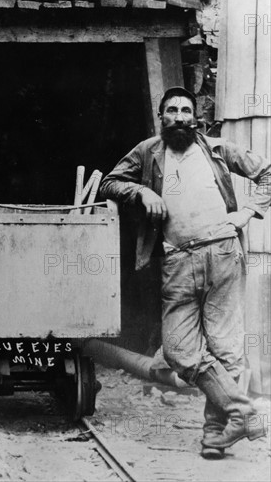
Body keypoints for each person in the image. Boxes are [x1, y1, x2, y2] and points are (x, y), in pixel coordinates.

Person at [100, 87, 270, 459]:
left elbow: (268, 173)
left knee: (225, 350)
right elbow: (108, 182)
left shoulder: (218, 150)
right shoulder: (148, 151)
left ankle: (214, 434)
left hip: (223, 254)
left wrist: (248, 213)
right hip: (176, 261)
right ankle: (242, 411)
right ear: (161, 118)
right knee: (178, 350)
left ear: (196, 118)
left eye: (185, 110)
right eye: (171, 111)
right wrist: (139, 192)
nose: (179, 117)